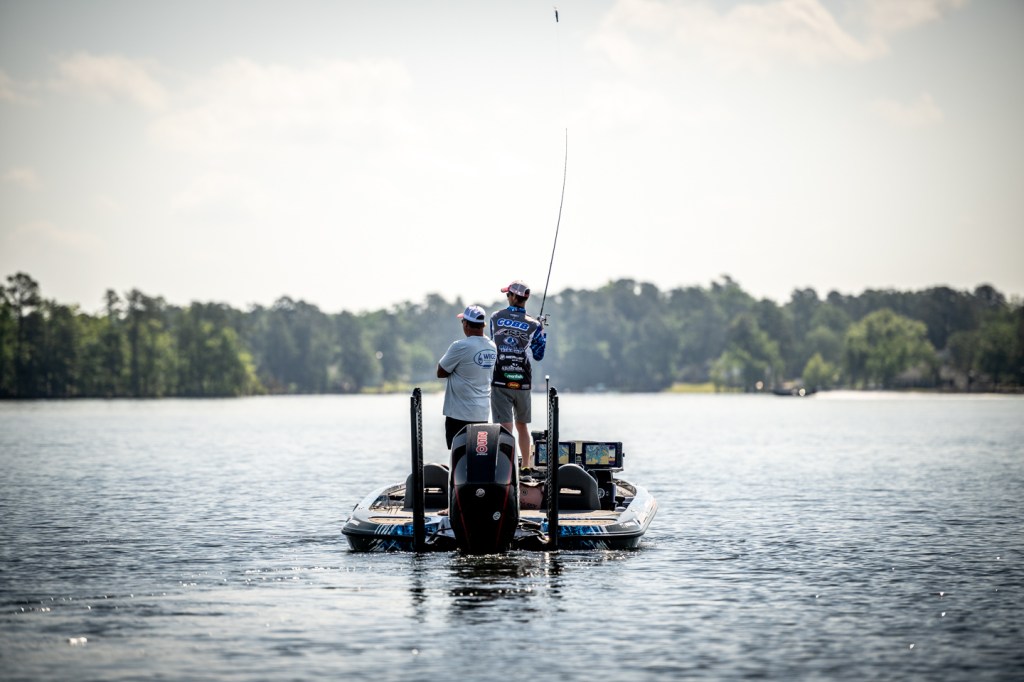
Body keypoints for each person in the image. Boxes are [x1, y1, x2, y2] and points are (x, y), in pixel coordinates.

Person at [489, 280, 546, 468]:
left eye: (508, 294)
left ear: (513, 297)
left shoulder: (495, 317)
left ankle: (508, 468)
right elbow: (538, 355)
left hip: (500, 380)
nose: (507, 297)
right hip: (523, 381)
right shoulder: (534, 325)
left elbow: (493, 341)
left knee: (505, 428)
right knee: (522, 426)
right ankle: (526, 466)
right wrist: (541, 331)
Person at [437, 305, 497, 449]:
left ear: (466, 324)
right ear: (483, 325)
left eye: (462, 321)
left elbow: (441, 372)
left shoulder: (460, 346)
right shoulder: (492, 346)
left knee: (458, 455)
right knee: (477, 455)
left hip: (459, 415)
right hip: (482, 414)